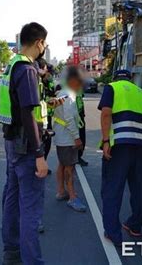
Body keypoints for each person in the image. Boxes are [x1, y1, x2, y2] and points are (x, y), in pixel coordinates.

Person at [0, 22, 61, 265]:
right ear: (39, 43)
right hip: (26, 147)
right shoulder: (27, 70)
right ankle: (32, 261)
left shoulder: (11, 66)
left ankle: (11, 253)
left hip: (12, 143)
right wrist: (39, 154)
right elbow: (28, 114)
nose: (44, 47)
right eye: (44, 43)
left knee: (12, 201)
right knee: (31, 209)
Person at [98, 69, 142, 246]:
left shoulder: (111, 88)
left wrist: (106, 141)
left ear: (115, 78)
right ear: (130, 79)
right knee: (140, 188)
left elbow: (106, 114)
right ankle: (135, 226)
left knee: (113, 188)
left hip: (120, 145)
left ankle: (113, 233)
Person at [53, 66, 87, 212]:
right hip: (67, 137)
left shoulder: (65, 93)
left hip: (62, 136)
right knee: (69, 167)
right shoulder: (68, 95)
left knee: (62, 164)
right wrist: (77, 137)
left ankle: (61, 191)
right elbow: (69, 118)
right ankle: (72, 197)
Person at [76, 84, 88, 166]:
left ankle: (78, 156)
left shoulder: (79, 87)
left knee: (82, 137)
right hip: (74, 115)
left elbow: (80, 100)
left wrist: (83, 113)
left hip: (80, 115)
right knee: (77, 137)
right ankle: (75, 157)